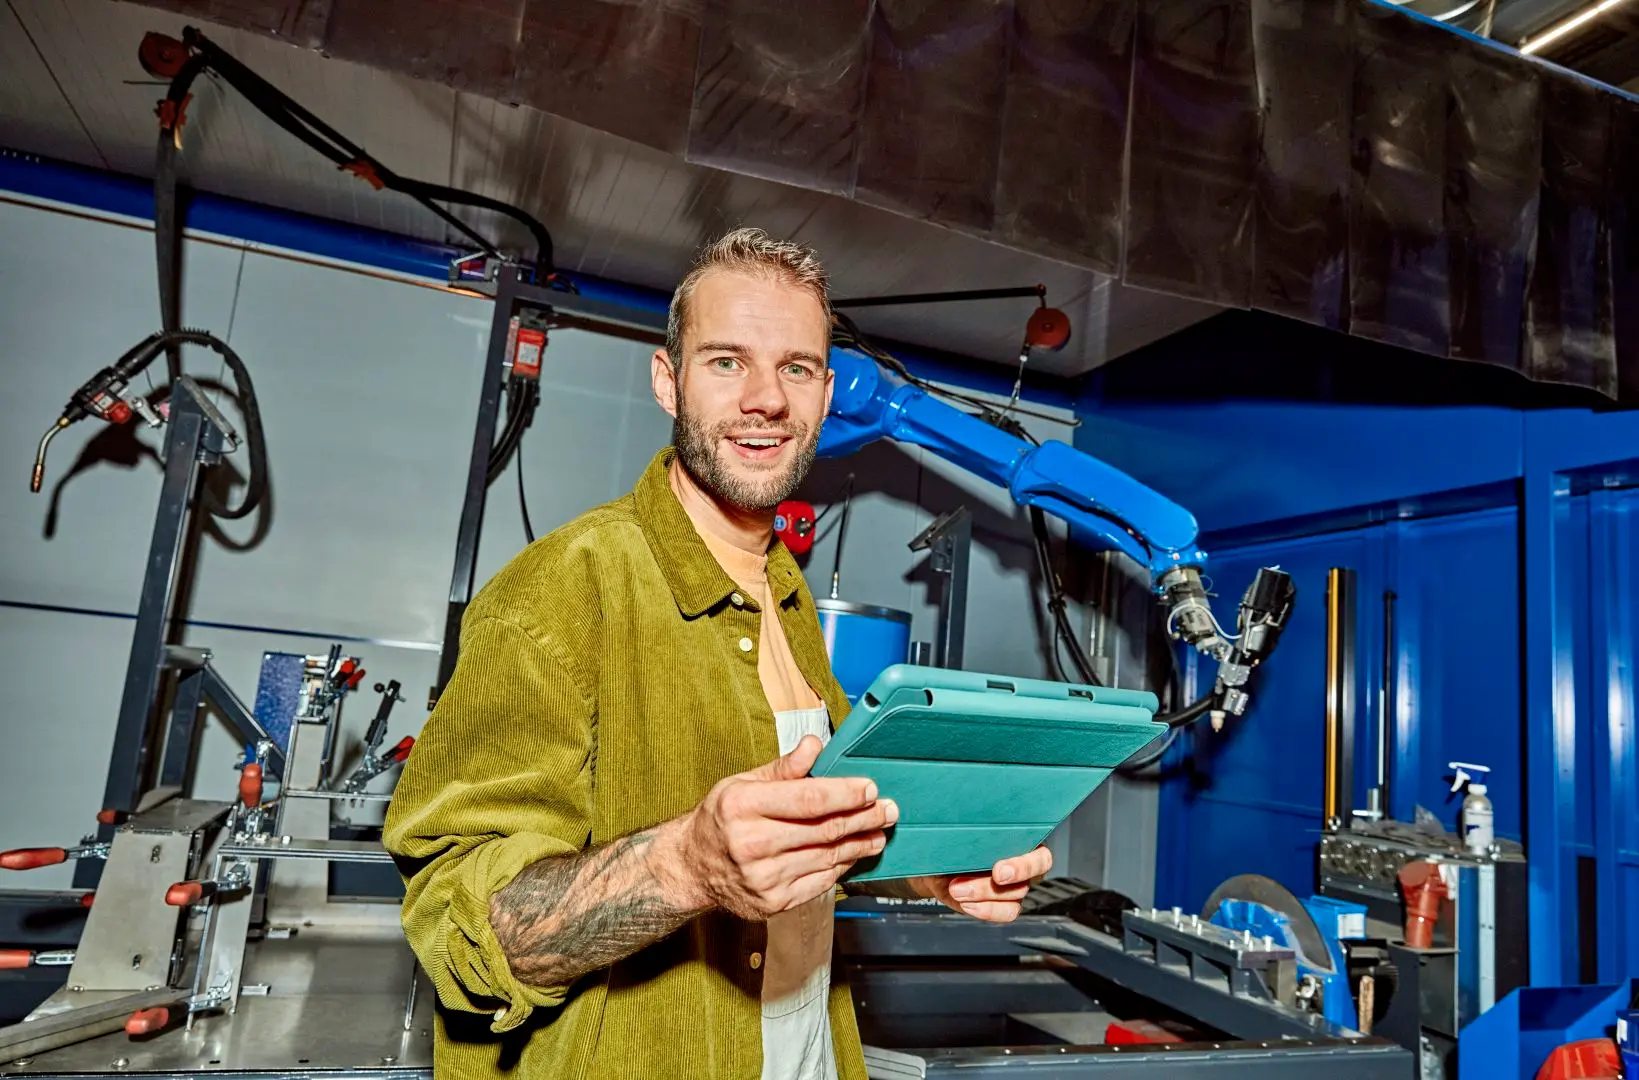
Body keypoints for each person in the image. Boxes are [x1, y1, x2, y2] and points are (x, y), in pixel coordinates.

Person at [382, 227, 1053, 1080]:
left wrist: (934, 874)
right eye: (726, 361)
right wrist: (682, 865)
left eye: (797, 368)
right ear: (669, 383)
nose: (766, 400)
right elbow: (456, 923)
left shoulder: (786, 594)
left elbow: (812, 836)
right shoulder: (562, 589)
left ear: (824, 394)